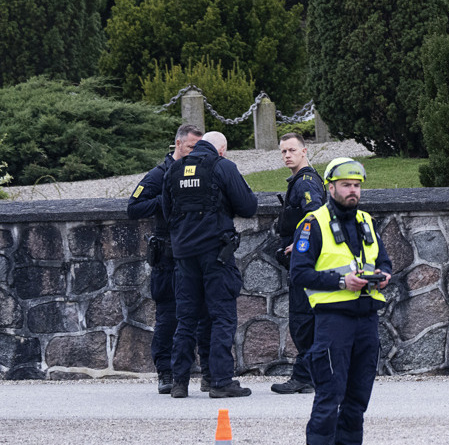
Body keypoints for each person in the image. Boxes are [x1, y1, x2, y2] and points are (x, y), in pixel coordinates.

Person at [291, 157, 391, 445]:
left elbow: (384, 260)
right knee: (328, 396)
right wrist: (339, 282)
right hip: (333, 321)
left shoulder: (366, 220)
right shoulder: (313, 223)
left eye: (357, 186)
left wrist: (384, 275)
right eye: (347, 185)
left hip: (366, 319)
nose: (353, 191)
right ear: (330, 187)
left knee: (357, 398)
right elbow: (299, 273)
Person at [162, 130, 258, 398]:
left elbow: (167, 210)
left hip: (183, 255)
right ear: (222, 149)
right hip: (216, 254)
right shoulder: (222, 166)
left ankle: (179, 382)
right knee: (221, 315)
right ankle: (220, 381)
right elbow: (248, 206)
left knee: (186, 318)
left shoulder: (174, 169)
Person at [126, 124, 211, 393]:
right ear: (177, 144)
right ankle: (165, 371)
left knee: (198, 315)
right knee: (168, 315)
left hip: (192, 253)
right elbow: (134, 207)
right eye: (190, 147)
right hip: (167, 255)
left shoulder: (199, 173)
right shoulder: (160, 174)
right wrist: (166, 200)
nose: (194, 153)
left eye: (199, 148)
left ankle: (193, 370)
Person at [271, 133, 326, 394]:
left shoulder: (305, 182)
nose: (287, 155)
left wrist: (301, 243)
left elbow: (315, 213)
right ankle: (309, 375)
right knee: (305, 321)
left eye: (292, 150)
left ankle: (304, 376)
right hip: (304, 260)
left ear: (305, 151)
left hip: (305, 263)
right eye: (283, 151)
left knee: (303, 321)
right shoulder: (300, 180)